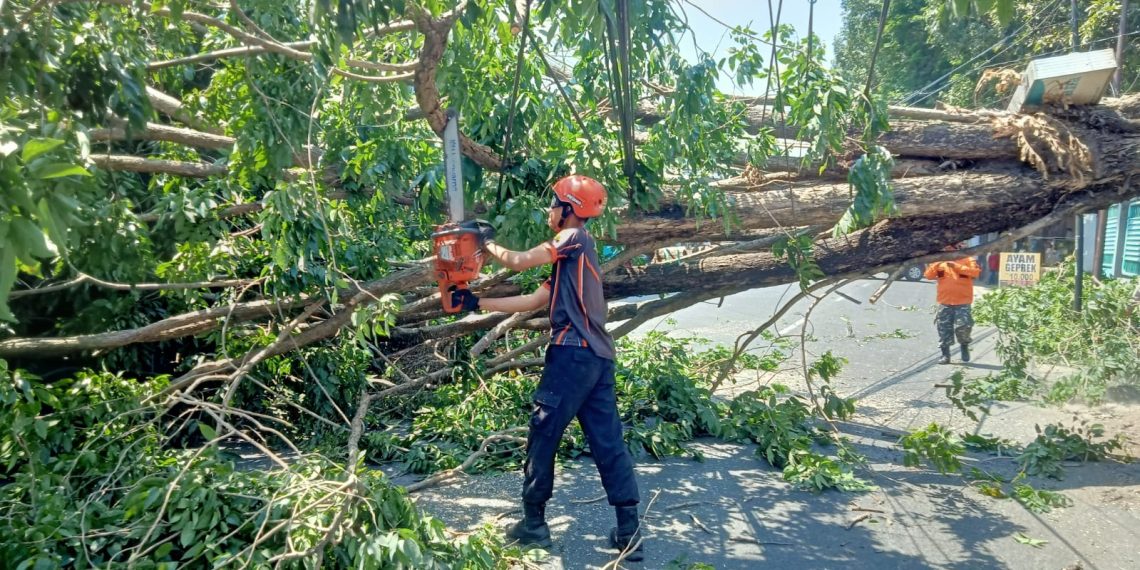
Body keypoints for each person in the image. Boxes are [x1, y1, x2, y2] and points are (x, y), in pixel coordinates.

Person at [449, 175, 644, 559]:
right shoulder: (570, 260)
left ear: (570, 210)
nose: (550, 210)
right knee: (607, 440)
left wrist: (485, 241)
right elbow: (532, 300)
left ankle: (534, 524)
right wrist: (476, 302)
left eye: (555, 204)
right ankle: (629, 532)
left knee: (543, 432)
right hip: (597, 358)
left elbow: (520, 261)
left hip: (571, 355)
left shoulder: (572, 239)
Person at [924, 245, 981, 364]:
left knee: (964, 327)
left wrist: (957, 266)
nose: (948, 251)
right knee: (944, 329)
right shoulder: (939, 263)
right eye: (946, 249)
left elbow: (975, 273)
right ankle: (945, 355)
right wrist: (937, 262)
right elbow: (928, 275)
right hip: (945, 301)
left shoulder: (967, 259)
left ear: (957, 248)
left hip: (963, 302)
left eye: (951, 249)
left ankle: (964, 345)